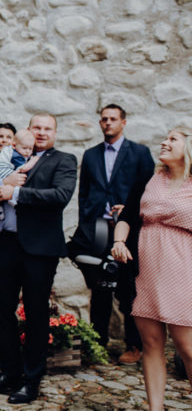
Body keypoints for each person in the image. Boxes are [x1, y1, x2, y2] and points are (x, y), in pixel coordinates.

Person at [0, 113, 77, 404]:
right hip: (6, 244)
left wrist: (16, 192)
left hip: (39, 248)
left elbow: (59, 195)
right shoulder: (10, 156)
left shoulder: (64, 160)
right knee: (1, 308)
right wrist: (2, 186)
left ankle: (31, 378)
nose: (40, 132)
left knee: (36, 314)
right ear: (27, 129)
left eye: (47, 128)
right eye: (36, 127)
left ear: (55, 133)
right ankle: (10, 371)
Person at [112, 126, 192, 411]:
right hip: (146, 271)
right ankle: (155, 408)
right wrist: (119, 240)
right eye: (165, 137)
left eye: (173, 139)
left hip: (183, 271)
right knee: (152, 344)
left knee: (187, 348)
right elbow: (128, 216)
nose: (164, 142)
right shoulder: (151, 179)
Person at [70, 104, 155, 364]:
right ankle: (98, 342)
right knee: (99, 288)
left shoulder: (140, 153)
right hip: (97, 229)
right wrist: (86, 221)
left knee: (128, 289)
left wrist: (131, 210)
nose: (107, 123)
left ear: (123, 122)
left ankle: (134, 345)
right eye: (104, 119)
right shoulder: (91, 154)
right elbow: (84, 192)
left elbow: (151, 190)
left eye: (113, 119)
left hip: (127, 231)